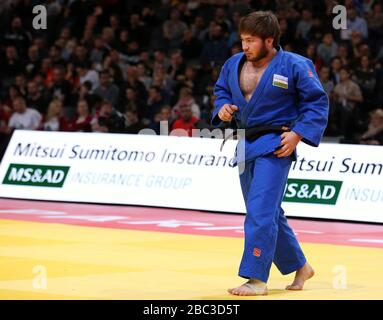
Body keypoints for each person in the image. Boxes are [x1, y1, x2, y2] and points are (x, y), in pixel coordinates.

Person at [211, 11, 329, 296]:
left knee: (260, 213)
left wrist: (298, 134)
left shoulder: (295, 65)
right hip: (245, 144)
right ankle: (301, 266)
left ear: (269, 40)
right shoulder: (233, 64)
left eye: (251, 41)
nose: (245, 46)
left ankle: (255, 278)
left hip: (276, 144)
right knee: (268, 212)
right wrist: (222, 108)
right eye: (243, 40)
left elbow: (317, 102)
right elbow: (221, 92)